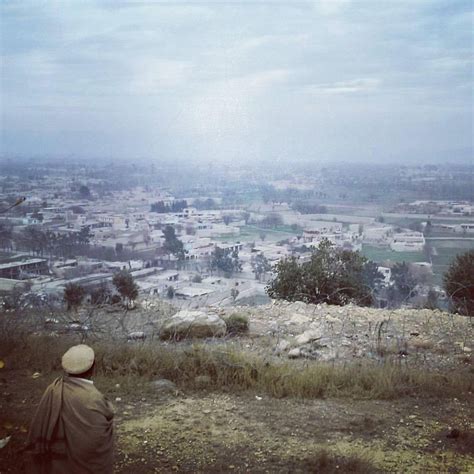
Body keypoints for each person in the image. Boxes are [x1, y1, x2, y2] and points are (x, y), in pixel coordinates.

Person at [25, 344, 114, 473]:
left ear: (67, 369)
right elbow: (100, 434)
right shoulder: (93, 397)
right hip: (87, 465)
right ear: (93, 367)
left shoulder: (53, 389)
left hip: (59, 462)